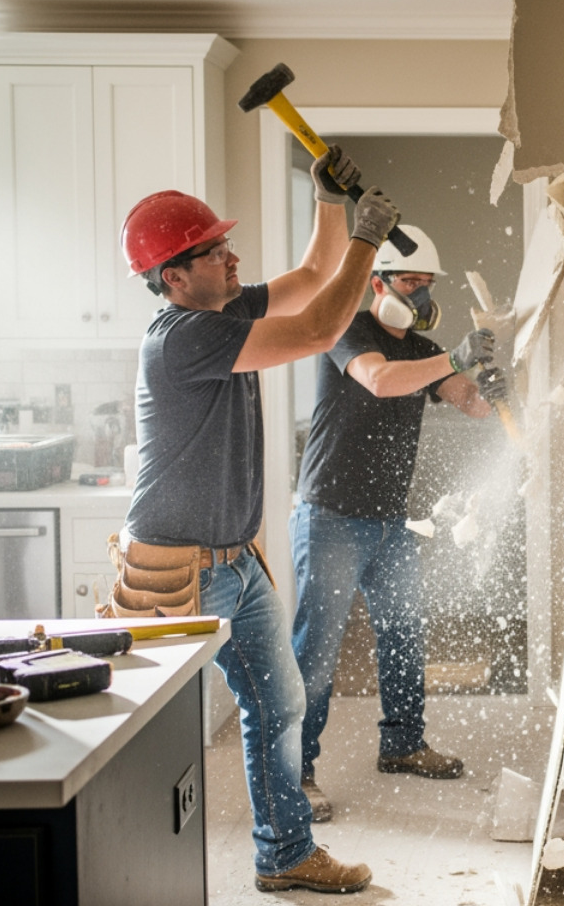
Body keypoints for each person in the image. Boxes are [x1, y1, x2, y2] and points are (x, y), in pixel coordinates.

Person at [116, 146, 401, 894]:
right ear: (174, 276)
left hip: (233, 565)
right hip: (175, 572)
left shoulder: (221, 309)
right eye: (215, 252)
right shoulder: (183, 338)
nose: (232, 256)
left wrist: (331, 202)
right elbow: (315, 329)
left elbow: (309, 281)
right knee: (144, 743)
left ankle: (285, 856)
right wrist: (368, 240)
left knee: (279, 705)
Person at [290, 226, 507, 822]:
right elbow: (380, 380)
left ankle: (404, 743)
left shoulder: (420, 347)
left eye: (426, 284)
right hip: (330, 516)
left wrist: (488, 390)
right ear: (378, 282)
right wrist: (455, 357)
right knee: (316, 653)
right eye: (410, 282)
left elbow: (463, 395)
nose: (419, 294)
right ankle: (297, 773)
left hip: (391, 521)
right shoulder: (345, 330)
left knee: (404, 635)